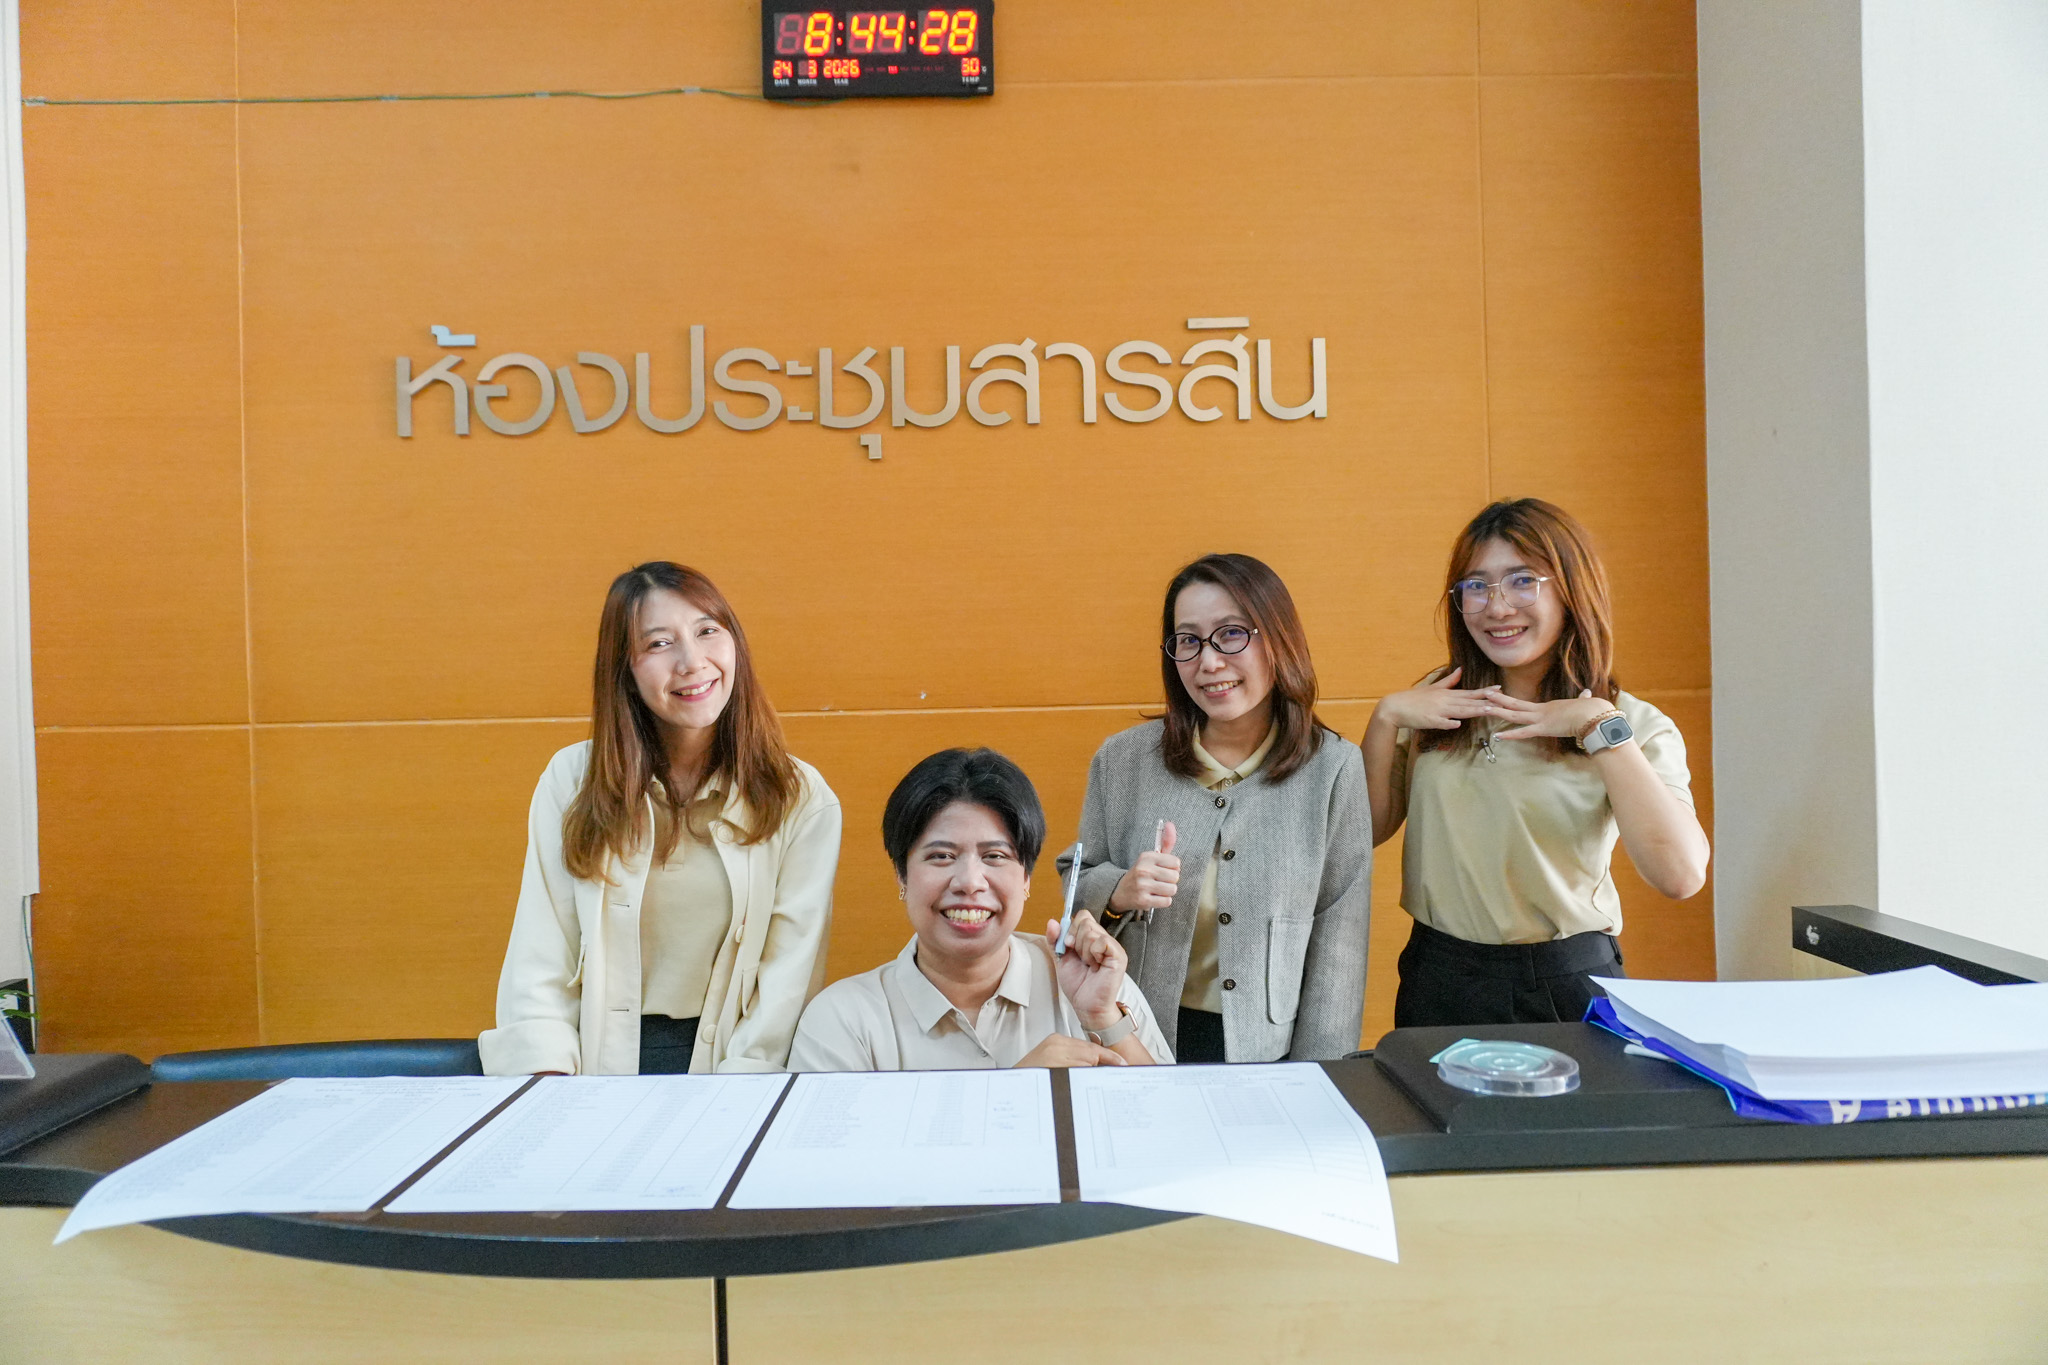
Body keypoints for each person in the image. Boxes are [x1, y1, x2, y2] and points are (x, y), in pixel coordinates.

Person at [479, 562, 841, 1075]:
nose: (692, 662)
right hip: (592, 1065)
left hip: (731, 1070)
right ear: (624, 670)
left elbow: (789, 980)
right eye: (659, 644)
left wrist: (739, 1094)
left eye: (707, 631)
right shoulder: (573, 779)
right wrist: (549, 1085)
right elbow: (542, 952)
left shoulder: (798, 796)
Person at [1362, 498, 1710, 1027]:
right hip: (1439, 974)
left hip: (1563, 979)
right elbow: (1365, 831)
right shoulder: (1439, 700)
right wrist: (1386, 719)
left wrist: (1598, 728)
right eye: (1476, 586)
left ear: (1572, 590)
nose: (1497, 607)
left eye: (1523, 581)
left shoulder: (1630, 722)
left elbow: (1679, 877)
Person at [1068, 553, 1372, 1064]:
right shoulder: (1123, 760)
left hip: (1266, 1050)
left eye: (1231, 634)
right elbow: (1075, 883)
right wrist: (1118, 891)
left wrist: (1317, 1077)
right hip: (1131, 1032)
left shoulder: (1333, 769)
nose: (1209, 663)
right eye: (1188, 641)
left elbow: (1339, 949)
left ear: (1278, 639)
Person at [787, 748, 1170, 1071]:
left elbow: (1173, 1124)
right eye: (941, 856)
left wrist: (1102, 1019)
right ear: (901, 876)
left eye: (994, 856)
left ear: (1026, 878)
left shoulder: (1095, 984)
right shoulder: (842, 1020)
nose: (970, 882)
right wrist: (1013, 1094)